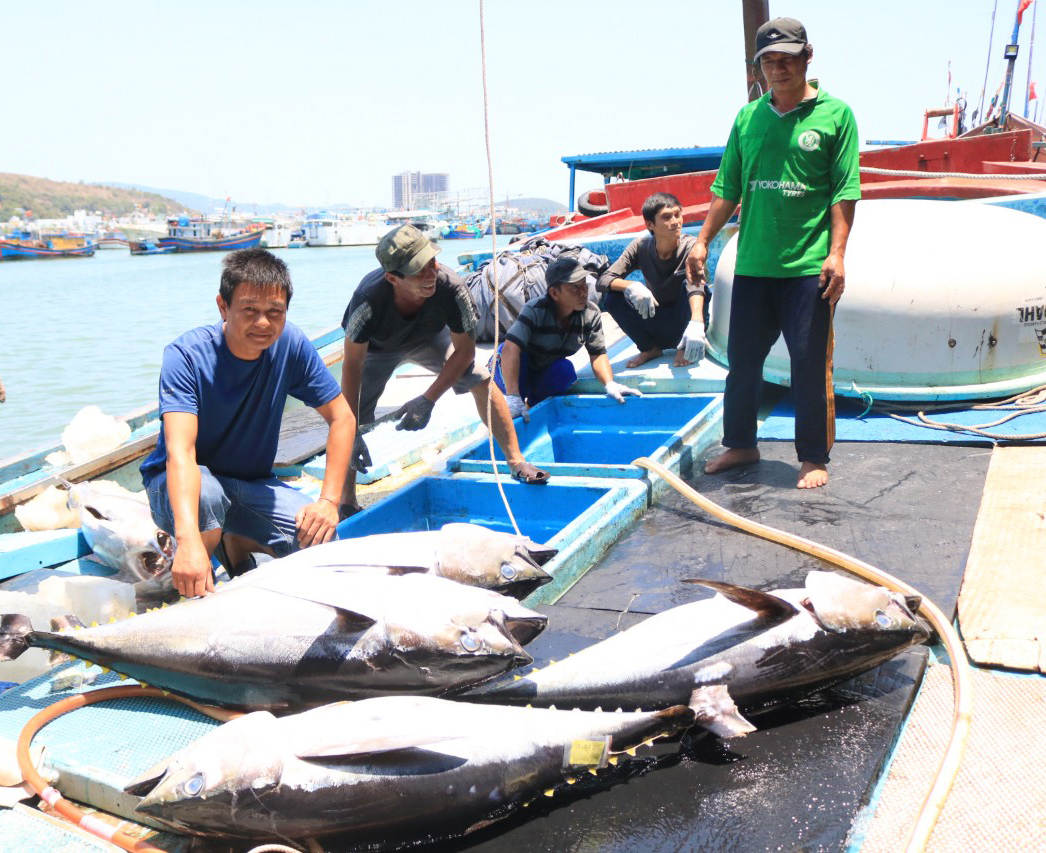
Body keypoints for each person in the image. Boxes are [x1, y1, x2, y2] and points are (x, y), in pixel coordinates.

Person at [686, 16, 860, 490]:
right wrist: (702, 239)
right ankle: (740, 442)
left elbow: (845, 191)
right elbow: (727, 187)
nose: (778, 69)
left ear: (808, 57)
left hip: (808, 267)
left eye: (787, 59)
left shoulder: (836, 115)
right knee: (742, 362)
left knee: (808, 364)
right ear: (757, 68)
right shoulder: (747, 118)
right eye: (769, 61)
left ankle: (812, 455)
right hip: (753, 266)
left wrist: (837, 253)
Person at [140, 248, 355, 598]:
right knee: (206, 493)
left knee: (322, 543)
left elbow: (342, 418)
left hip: (249, 485)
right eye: (250, 310)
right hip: (181, 485)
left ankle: (234, 539)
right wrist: (188, 539)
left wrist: (329, 501)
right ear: (223, 307)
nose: (263, 324)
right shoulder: (185, 356)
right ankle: (196, 582)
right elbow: (181, 452)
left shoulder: (292, 345)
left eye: (275, 312)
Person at [340, 225, 548, 513]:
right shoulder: (367, 300)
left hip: (431, 337)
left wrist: (428, 399)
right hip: (378, 349)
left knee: (479, 377)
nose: (430, 275)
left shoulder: (452, 287)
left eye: (431, 263)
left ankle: (515, 460)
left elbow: (465, 351)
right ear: (392, 278)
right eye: (418, 271)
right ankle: (346, 500)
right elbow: (351, 367)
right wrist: (349, 433)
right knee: (348, 416)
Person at [492, 256, 642, 421]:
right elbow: (510, 349)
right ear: (554, 293)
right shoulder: (535, 310)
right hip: (508, 367)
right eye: (574, 288)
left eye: (584, 284)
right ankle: (511, 404)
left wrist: (610, 384)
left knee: (565, 371)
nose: (583, 292)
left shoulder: (590, 314)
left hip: (543, 368)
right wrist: (513, 395)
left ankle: (533, 409)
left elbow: (597, 353)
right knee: (520, 358)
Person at [597, 192, 708, 369]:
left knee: (701, 288)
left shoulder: (691, 247)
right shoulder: (640, 247)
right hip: (654, 318)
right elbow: (603, 280)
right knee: (612, 297)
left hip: (684, 324)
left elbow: (696, 287)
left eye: (677, 215)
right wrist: (631, 286)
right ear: (650, 224)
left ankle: (685, 345)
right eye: (666, 217)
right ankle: (649, 348)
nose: (675, 221)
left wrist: (696, 323)